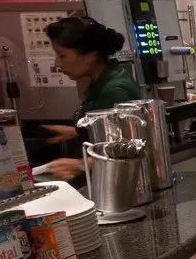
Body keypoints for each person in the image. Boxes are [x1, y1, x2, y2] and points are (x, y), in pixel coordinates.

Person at [38, 15, 143, 181]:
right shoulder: (103, 79)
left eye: (62, 56)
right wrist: (77, 132)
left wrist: (80, 165)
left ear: (90, 56)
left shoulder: (113, 90)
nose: (57, 64)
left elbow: (126, 151)